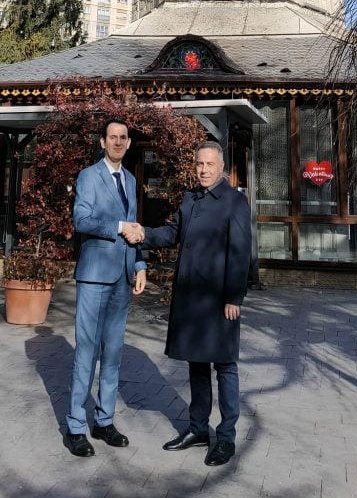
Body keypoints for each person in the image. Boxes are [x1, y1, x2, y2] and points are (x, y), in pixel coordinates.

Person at [123, 140, 251, 467]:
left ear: (221, 167)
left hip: (219, 299)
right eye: (199, 164)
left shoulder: (235, 202)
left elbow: (240, 253)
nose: (204, 170)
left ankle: (226, 437)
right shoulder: (190, 198)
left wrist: (234, 297)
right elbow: (172, 234)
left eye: (210, 164)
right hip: (191, 298)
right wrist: (143, 233)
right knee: (196, 364)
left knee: (225, 366)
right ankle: (198, 429)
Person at [65, 119, 146, 457]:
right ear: (102, 142)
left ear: (129, 143)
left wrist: (139, 265)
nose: (117, 142)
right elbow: (81, 220)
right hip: (95, 276)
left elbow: (135, 228)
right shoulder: (89, 176)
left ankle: (104, 421)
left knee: (113, 353)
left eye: (122, 137)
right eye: (112, 137)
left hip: (123, 278)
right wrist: (119, 225)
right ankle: (75, 427)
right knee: (86, 351)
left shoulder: (130, 179)